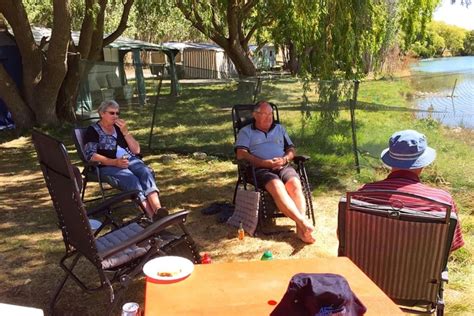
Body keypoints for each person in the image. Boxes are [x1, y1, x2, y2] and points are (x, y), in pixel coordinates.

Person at [356, 129, 464, 252]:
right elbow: (450, 246)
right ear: (423, 164)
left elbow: (344, 236)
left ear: (390, 160)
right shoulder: (442, 202)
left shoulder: (362, 194)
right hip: (422, 270)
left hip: (365, 269)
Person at [235, 101, 315, 244]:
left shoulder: (280, 129)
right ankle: (303, 223)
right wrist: (262, 163)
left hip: (282, 165)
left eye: (271, 114)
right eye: (265, 114)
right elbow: (241, 154)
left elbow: (291, 150)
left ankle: (300, 226)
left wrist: (285, 159)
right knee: (277, 185)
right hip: (259, 169)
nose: (269, 117)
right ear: (255, 115)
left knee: (295, 184)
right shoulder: (246, 131)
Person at [83, 100, 166, 220]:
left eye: (117, 113)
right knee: (131, 179)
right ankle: (151, 215)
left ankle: (158, 209)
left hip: (129, 159)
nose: (115, 116)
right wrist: (114, 162)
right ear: (101, 113)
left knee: (145, 172)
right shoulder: (93, 130)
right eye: (112, 113)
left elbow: (136, 150)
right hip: (107, 165)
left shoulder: (118, 128)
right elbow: (91, 155)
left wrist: (126, 133)